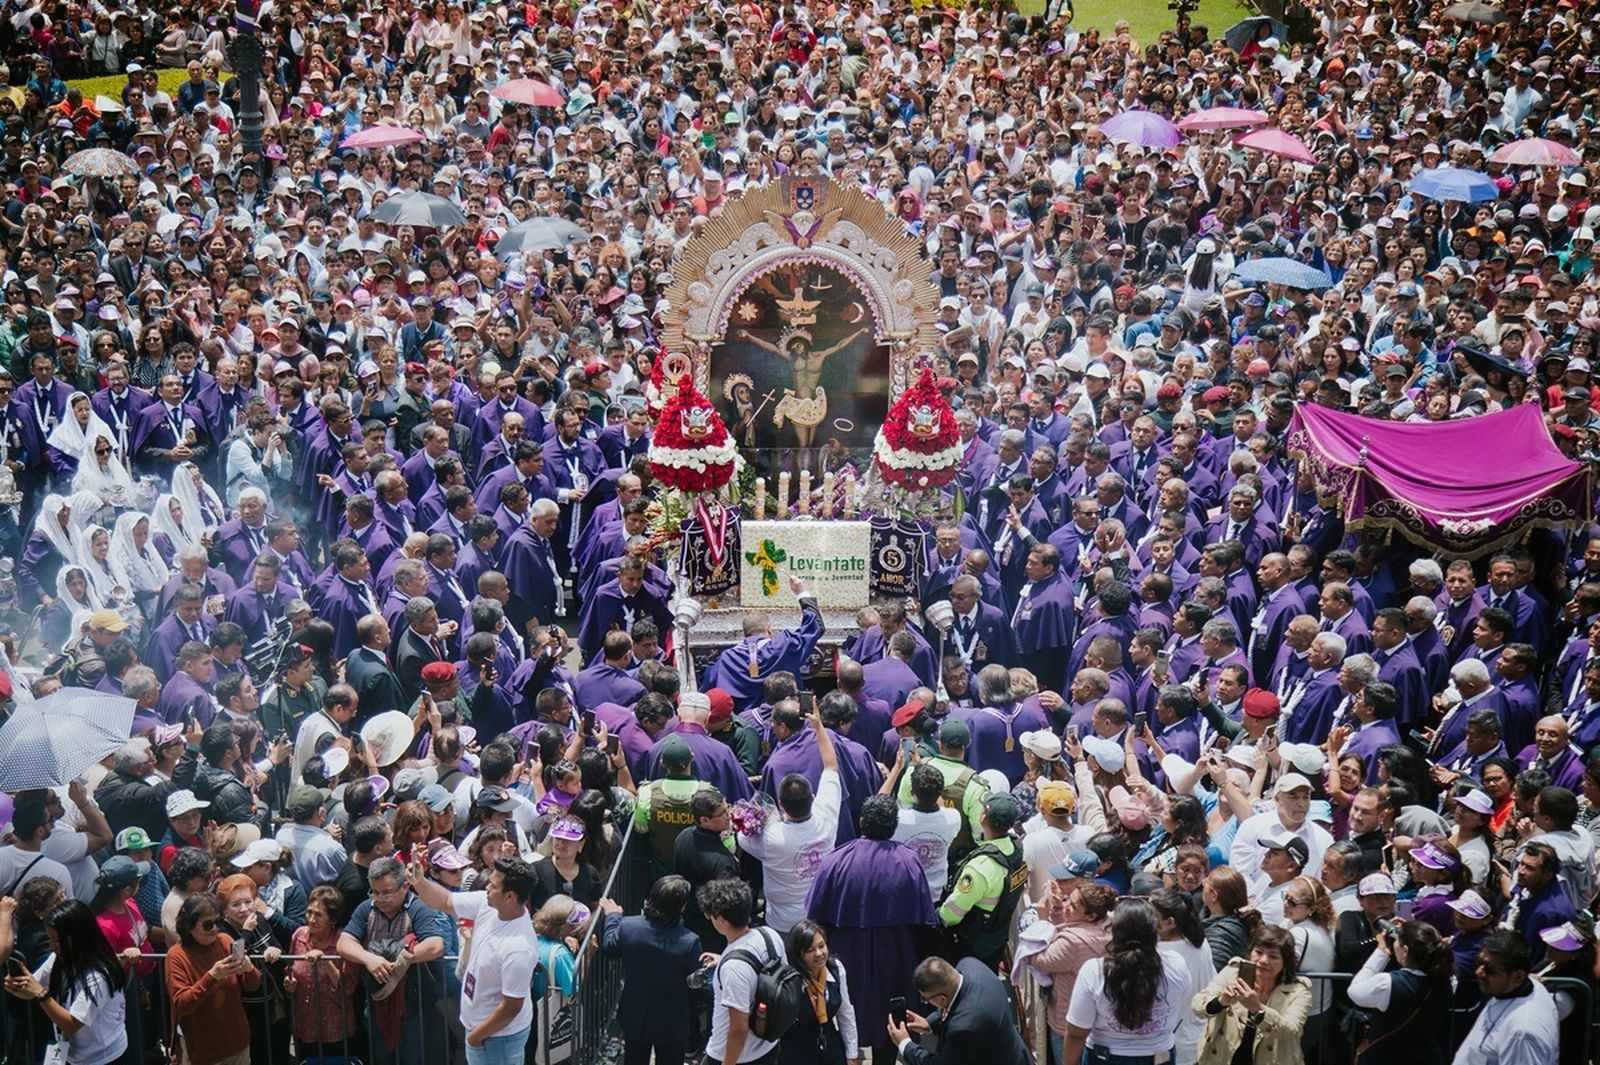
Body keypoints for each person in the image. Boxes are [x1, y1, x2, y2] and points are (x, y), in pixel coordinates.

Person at [405, 852, 539, 1064]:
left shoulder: (518, 949)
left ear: (510, 896)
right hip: (482, 1031)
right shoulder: (489, 904)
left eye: (493, 885)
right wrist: (419, 881)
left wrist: (475, 1037)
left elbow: (511, 1006)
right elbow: (446, 901)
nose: (486, 887)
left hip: (497, 1040)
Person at [1058, 898, 1204, 1065]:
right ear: (1155, 931)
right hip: (1160, 1058)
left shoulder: (1094, 972)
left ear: (1115, 932)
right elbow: (1181, 1003)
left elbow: (1077, 1032)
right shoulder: (1176, 966)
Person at [2, 899, 129, 1065]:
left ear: (78, 937)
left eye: (57, 941)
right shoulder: (59, 959)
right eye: (50, 940)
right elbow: (31, 989)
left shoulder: (99, 974)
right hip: (72, 1054)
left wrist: (41, 994)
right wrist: (16, 986)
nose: (52, 947)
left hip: (103, 1058)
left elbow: (71, 1024)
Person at [598, 876, 703, 1065]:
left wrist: (613, 917)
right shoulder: (689, 941)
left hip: (636, 1016)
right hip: (672, 1023)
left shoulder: (629, 927)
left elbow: (609, 947)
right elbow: (697, 981)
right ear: (681, 907)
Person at [1193, 925, 1312, 1065]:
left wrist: (1258, 1009)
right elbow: (1198, 1005)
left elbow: (1291, 1031)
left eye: (1273, 956)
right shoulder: (1233, 972)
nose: (1263, 960)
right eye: (1258, 952)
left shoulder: (1299, 990)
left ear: (1285, 963)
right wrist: (1221, 1002)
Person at [165, 892, 261, 1065]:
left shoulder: (225, 941)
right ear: (189, 925)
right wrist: (212, 976)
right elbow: (182, 1004)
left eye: (218, 922)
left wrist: (249, 969)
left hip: (238, 1043)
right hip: (204, 1050)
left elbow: (253, 986)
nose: (215, 929)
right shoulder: (177, 956)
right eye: (208, 925)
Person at [886, 955, 1030, 1065]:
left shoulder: (965, 1027)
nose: (925, 1001)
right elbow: (955, 1003)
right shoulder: (970, 965)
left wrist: (904, 1043)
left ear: (941, 999)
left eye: (926, 999)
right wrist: (929, 1024)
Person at [1346, 919, 1454, 1065]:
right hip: (1427, 1057)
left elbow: (1354, 992)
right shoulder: (1450, 982)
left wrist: (1380, 954)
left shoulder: (1388, 983)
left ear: (1405, 951)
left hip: (1387, 1058)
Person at [698, 877, 781, 1065]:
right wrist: (724, 960)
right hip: (769, 1047)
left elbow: (738, 1028)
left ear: (720, 919)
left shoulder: (734, 969)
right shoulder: (770, 936)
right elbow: (762, 970)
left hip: (735, 1057)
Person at [1449, 931, 1559, 1065]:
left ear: (1518, 977)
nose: (1479, 972)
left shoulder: (1522, 1033)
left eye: (1489, 969)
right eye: (1479, 962)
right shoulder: (1512, 988)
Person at [284, 885, 359, 1062]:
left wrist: (325, 961)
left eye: (318, 915)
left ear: (332, 919)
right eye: (309, 912)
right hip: (305, 1025)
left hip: (335, 1029)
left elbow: (348, 988)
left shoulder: (344, 942)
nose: (311, 919)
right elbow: (290, 969)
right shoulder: (299, 936)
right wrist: (289, 982)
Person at [777, 920, 859, 1065]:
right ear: (797, 955)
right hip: (796, 1053)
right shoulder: (789, 981)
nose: (819, 954)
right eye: (810, 950)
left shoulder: (836, 969)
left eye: (821, 946)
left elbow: (845, 1012)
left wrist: (851, 1054)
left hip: (830, 1048)